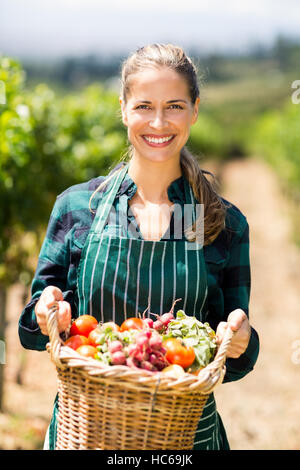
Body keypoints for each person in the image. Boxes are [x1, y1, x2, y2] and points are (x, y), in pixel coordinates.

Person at [19, 43, 259, 450]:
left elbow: (233, 352)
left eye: (175, 106)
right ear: (124, 109)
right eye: (145, 105)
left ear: (195, 110)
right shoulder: (77, 208)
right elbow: (31, 328)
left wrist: (241, 340)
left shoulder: (224, 223)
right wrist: (47, 313)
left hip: (186, 439)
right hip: (87, 432)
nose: (159, 122)